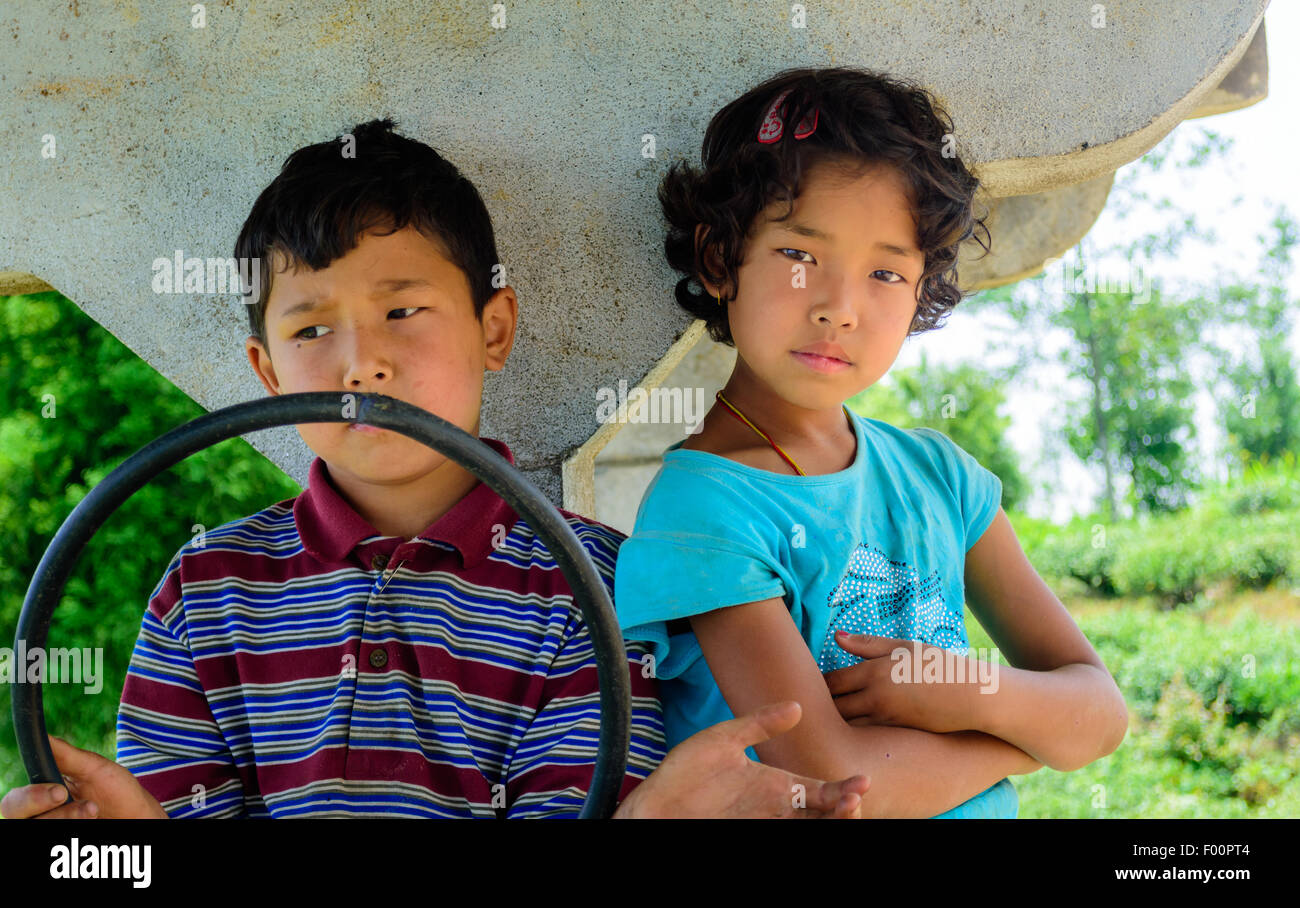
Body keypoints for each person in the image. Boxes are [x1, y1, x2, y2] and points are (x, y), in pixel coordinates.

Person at [0, 118, 869, 820]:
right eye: (310, 331)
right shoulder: (203, 590)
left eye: (402, 310)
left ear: (494, 329)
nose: (360, 364)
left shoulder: (598, 586)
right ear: (267, 375)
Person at [613, 67, 1130, 818]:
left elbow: (1102, 710)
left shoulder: (941, 478)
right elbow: (840, 786)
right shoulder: (707, 509)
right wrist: (1033, 735)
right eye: (799, 256)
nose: (839, 308)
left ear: (923, 291)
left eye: (886, 271)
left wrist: (960, 688)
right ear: (722, 258)